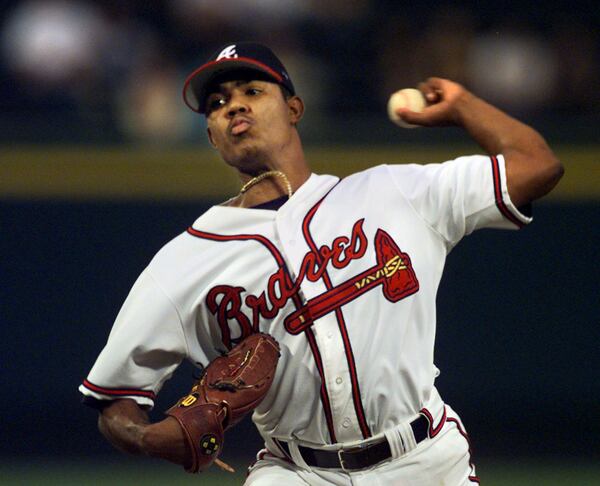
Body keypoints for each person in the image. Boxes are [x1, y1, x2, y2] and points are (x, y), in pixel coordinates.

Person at [79, 42, 563, 485]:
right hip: (296, 472)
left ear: (294, 108)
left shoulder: (396, 193)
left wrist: (462, 107)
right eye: (218, 103)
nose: (235, 106)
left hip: (426, 459)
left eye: (252, 90)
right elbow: (115, 399)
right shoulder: (184, 262)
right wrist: (144, 438)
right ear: (211, 135)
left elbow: (538, 166)